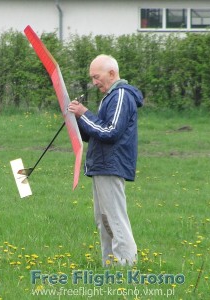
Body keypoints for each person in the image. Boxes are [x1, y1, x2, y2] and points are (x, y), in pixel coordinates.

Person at [68, 54, 143, 267]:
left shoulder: (120, 95)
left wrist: (84, 113)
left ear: (111, 73)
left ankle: (126, 265)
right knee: (104, 219)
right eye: (92, 78)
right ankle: (110, 265)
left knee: (115, 218)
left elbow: (111, 132)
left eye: (96, 76)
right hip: (101, 165)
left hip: (112, 165)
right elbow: (96, 132)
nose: (94, 82)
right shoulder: (109, 96)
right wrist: (77, 119)